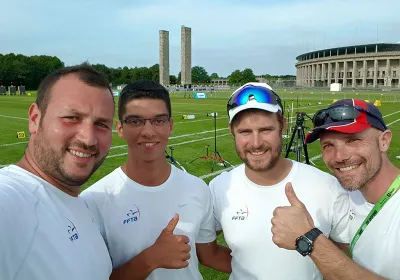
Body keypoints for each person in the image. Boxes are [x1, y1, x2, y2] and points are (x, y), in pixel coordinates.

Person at [81, 80, 232, 280]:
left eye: (159, 120)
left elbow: (208, 254)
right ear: (120, 128)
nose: (148, 131)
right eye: (135, 121)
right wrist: (150, 259)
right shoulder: (93, 201)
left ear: (170, 126)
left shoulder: (197, 188)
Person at [208, 82, 350, 280]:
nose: (256, 143)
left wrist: (311, 240)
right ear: (232, 130)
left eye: (266, 129)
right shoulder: (219, 187)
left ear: (282, 125)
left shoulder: (327, 187)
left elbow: (352, 256)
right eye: (245, 132)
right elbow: (207, 252)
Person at [0, 65, 115, 280]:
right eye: (71, 117)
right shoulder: (10, 201)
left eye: (101, 124)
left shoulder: (79, 205)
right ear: (35, 119)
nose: (88, 139)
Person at [272, 98, 399, 280]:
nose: (339, 157)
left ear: (384, 141)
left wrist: (309, 239)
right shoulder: (348, 197)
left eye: (353, 140)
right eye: (328, 145)